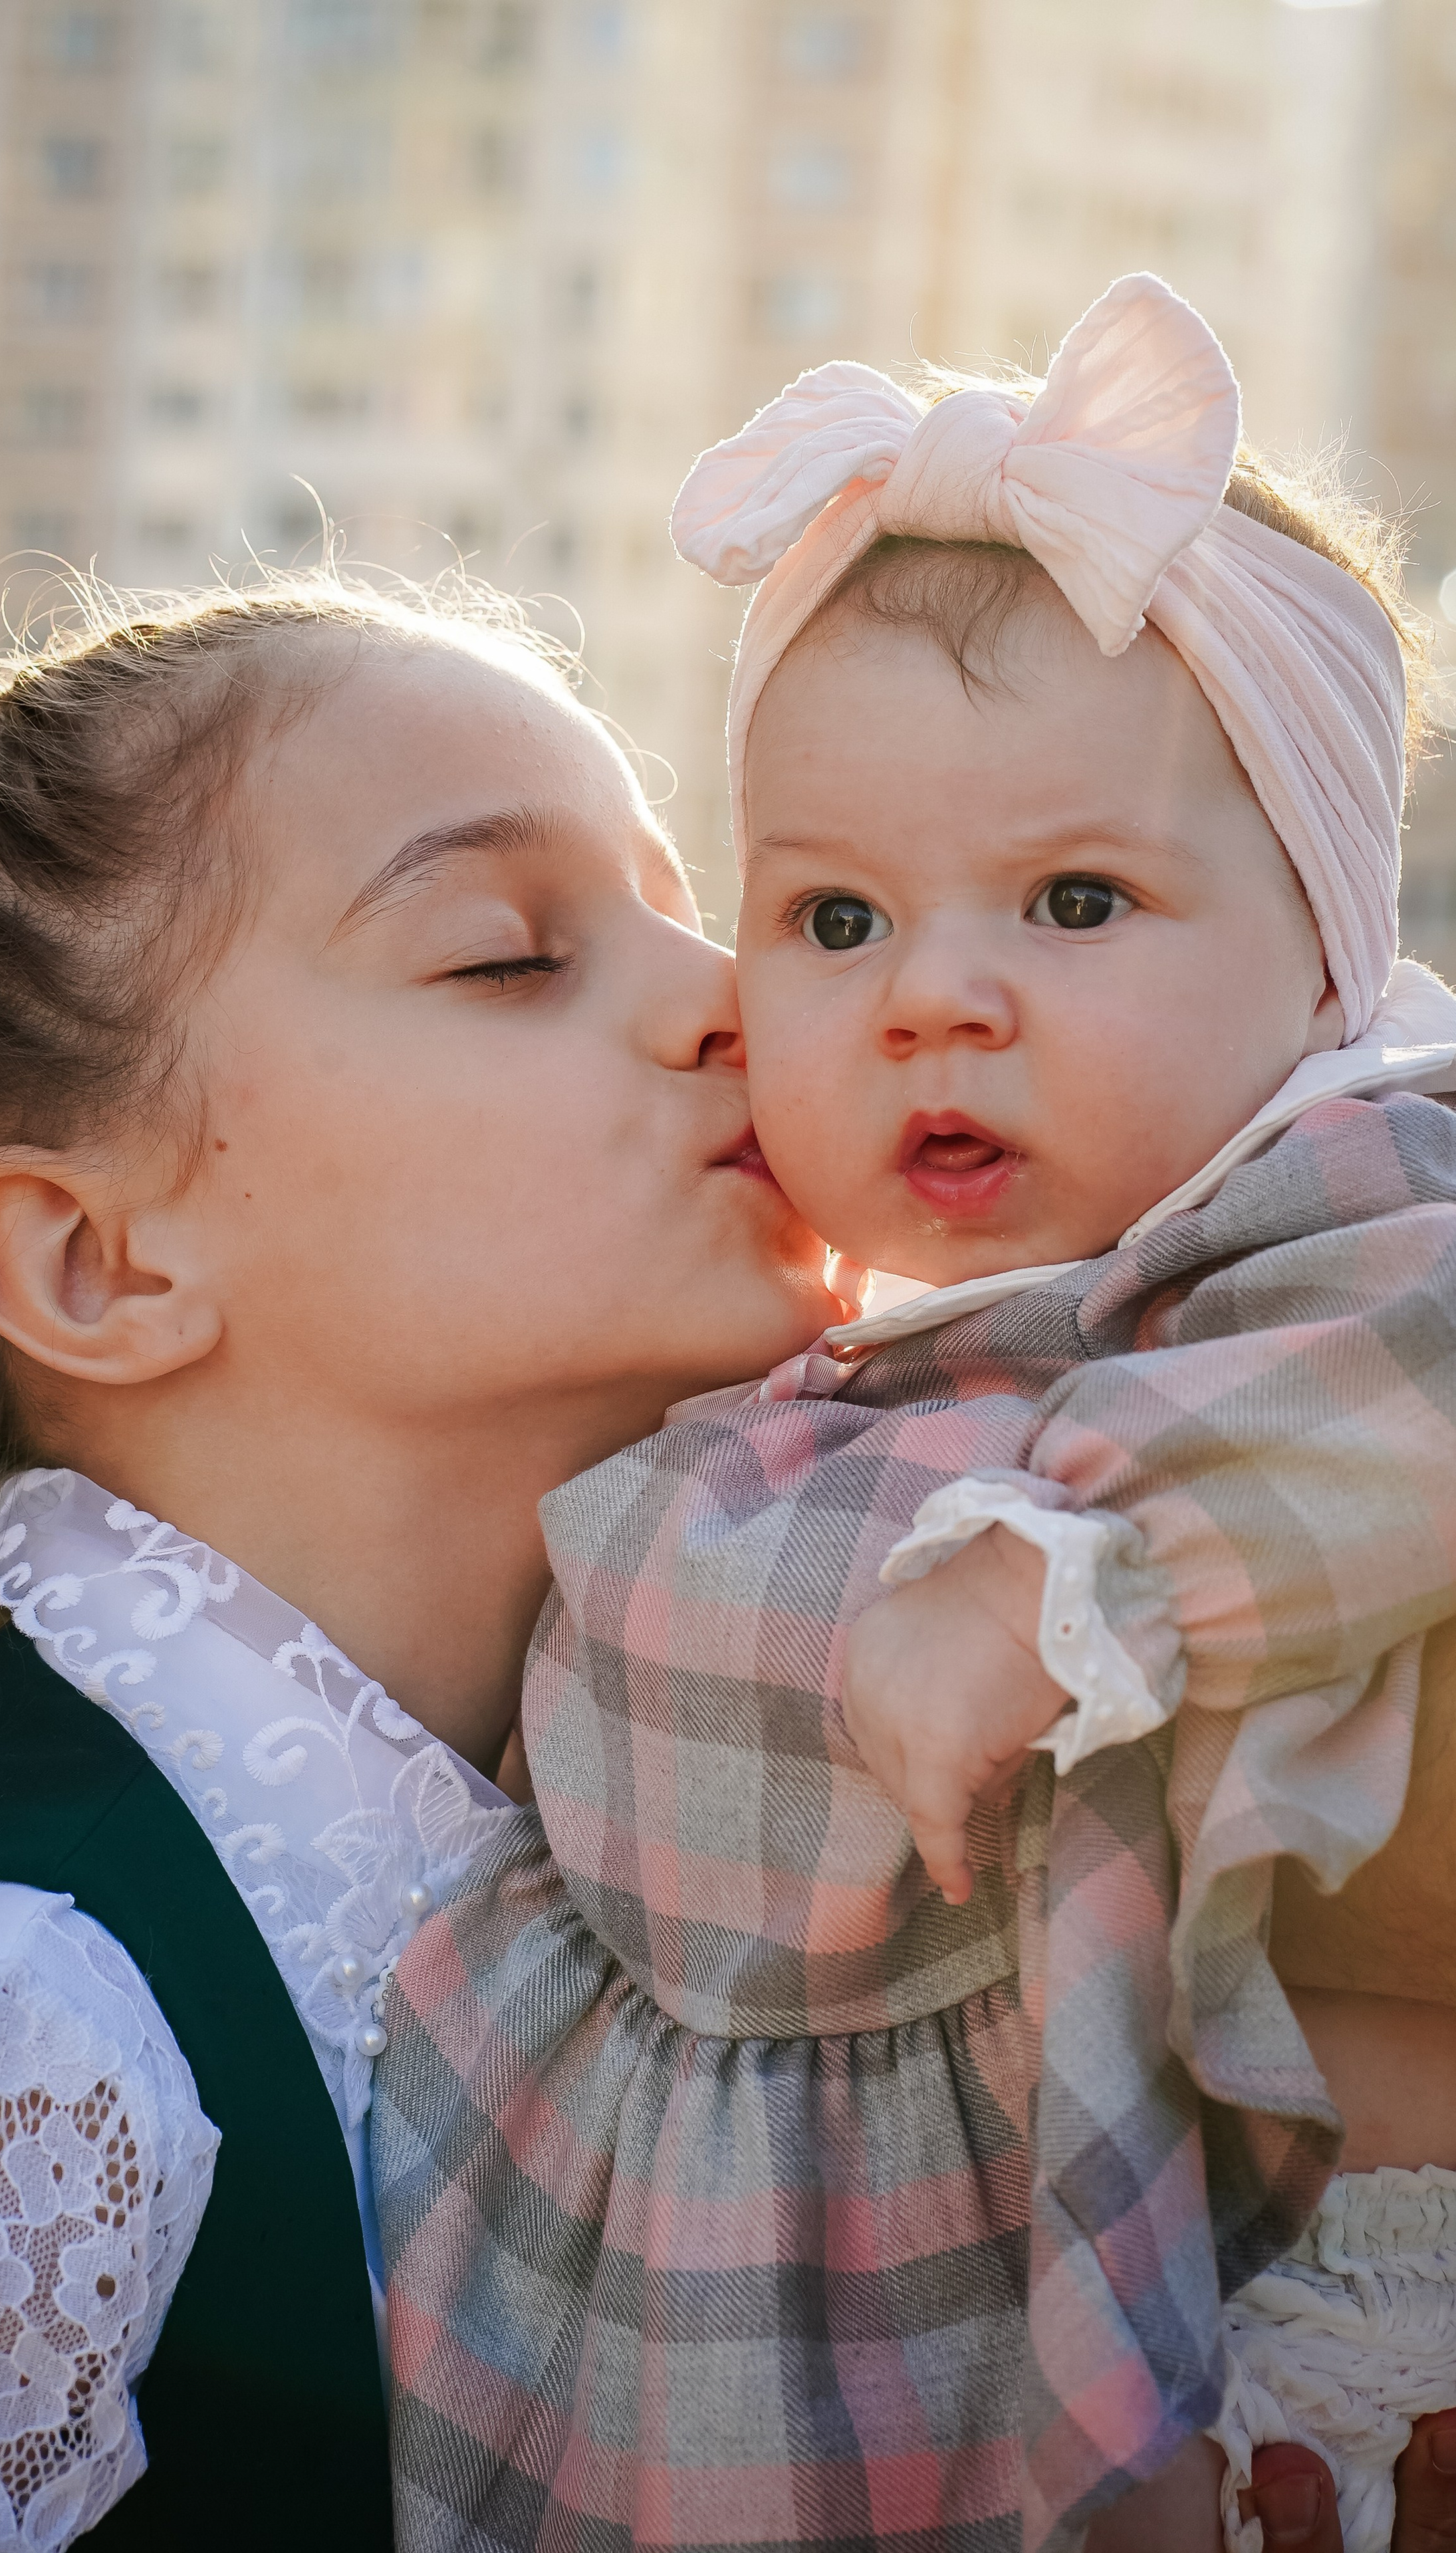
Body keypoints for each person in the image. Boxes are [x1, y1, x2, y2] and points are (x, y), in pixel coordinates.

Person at [372, 276, 1456, 2553]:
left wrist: (1089, 1567)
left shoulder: (1352, 1201)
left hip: (1316, 2304)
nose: (935, 999)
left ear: (1328, 964)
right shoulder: (811, 1360)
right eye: (837, 919)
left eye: (1075, 899)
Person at [0, 574, 838, 2546]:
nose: (737, 996)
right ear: (100, 1262)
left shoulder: (707, 1805)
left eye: (693, 910)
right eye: (510, 956)